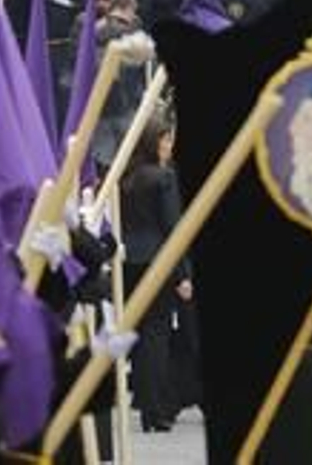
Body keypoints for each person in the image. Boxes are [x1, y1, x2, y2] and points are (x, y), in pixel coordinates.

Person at [120, 117, 191, 432]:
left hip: (129, 262)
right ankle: (155, 410)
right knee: (157, 335)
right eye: (165, 140)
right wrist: (183, 275)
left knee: (140, 335)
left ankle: (144, 403)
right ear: (154, 143)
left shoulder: (126, 178)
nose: (169, 146)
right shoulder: (163, 178)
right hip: (158, 262)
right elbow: (173, 229)